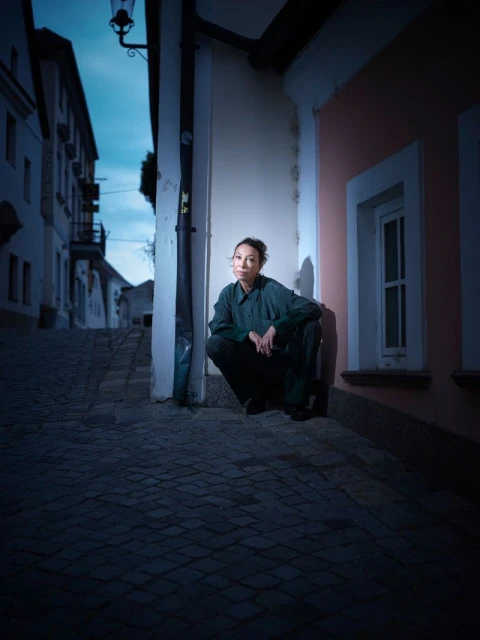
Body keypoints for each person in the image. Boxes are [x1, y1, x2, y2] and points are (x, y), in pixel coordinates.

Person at [206, 237, 322, 421]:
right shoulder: (228, 294)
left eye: (250, 259)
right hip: (253, 364)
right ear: (233, 262)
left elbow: (311, 308)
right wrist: (247, 334)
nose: (242, 264)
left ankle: (296, 401)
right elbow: (217, 325)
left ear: (259, 267)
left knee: (312, 326)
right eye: (238, 257)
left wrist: (277, 326)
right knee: (214, 343)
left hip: (282, 362)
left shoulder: (271, 289)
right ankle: (256, 395)